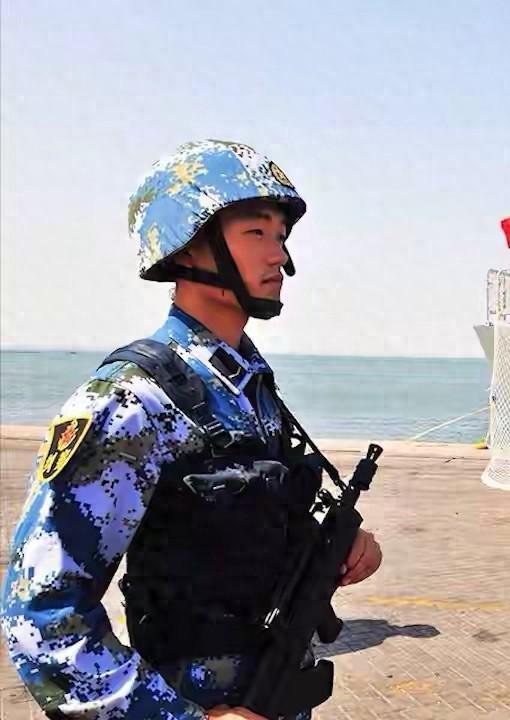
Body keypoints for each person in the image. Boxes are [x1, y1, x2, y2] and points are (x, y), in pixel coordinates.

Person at [0, 140, 383, 720]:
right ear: (186, 243)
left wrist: (340, 547)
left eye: (281, 236)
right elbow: (43, 617)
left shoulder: (246, 387)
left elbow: (246, 527)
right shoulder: (132, 401)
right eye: (256, 232)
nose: (279, 255)